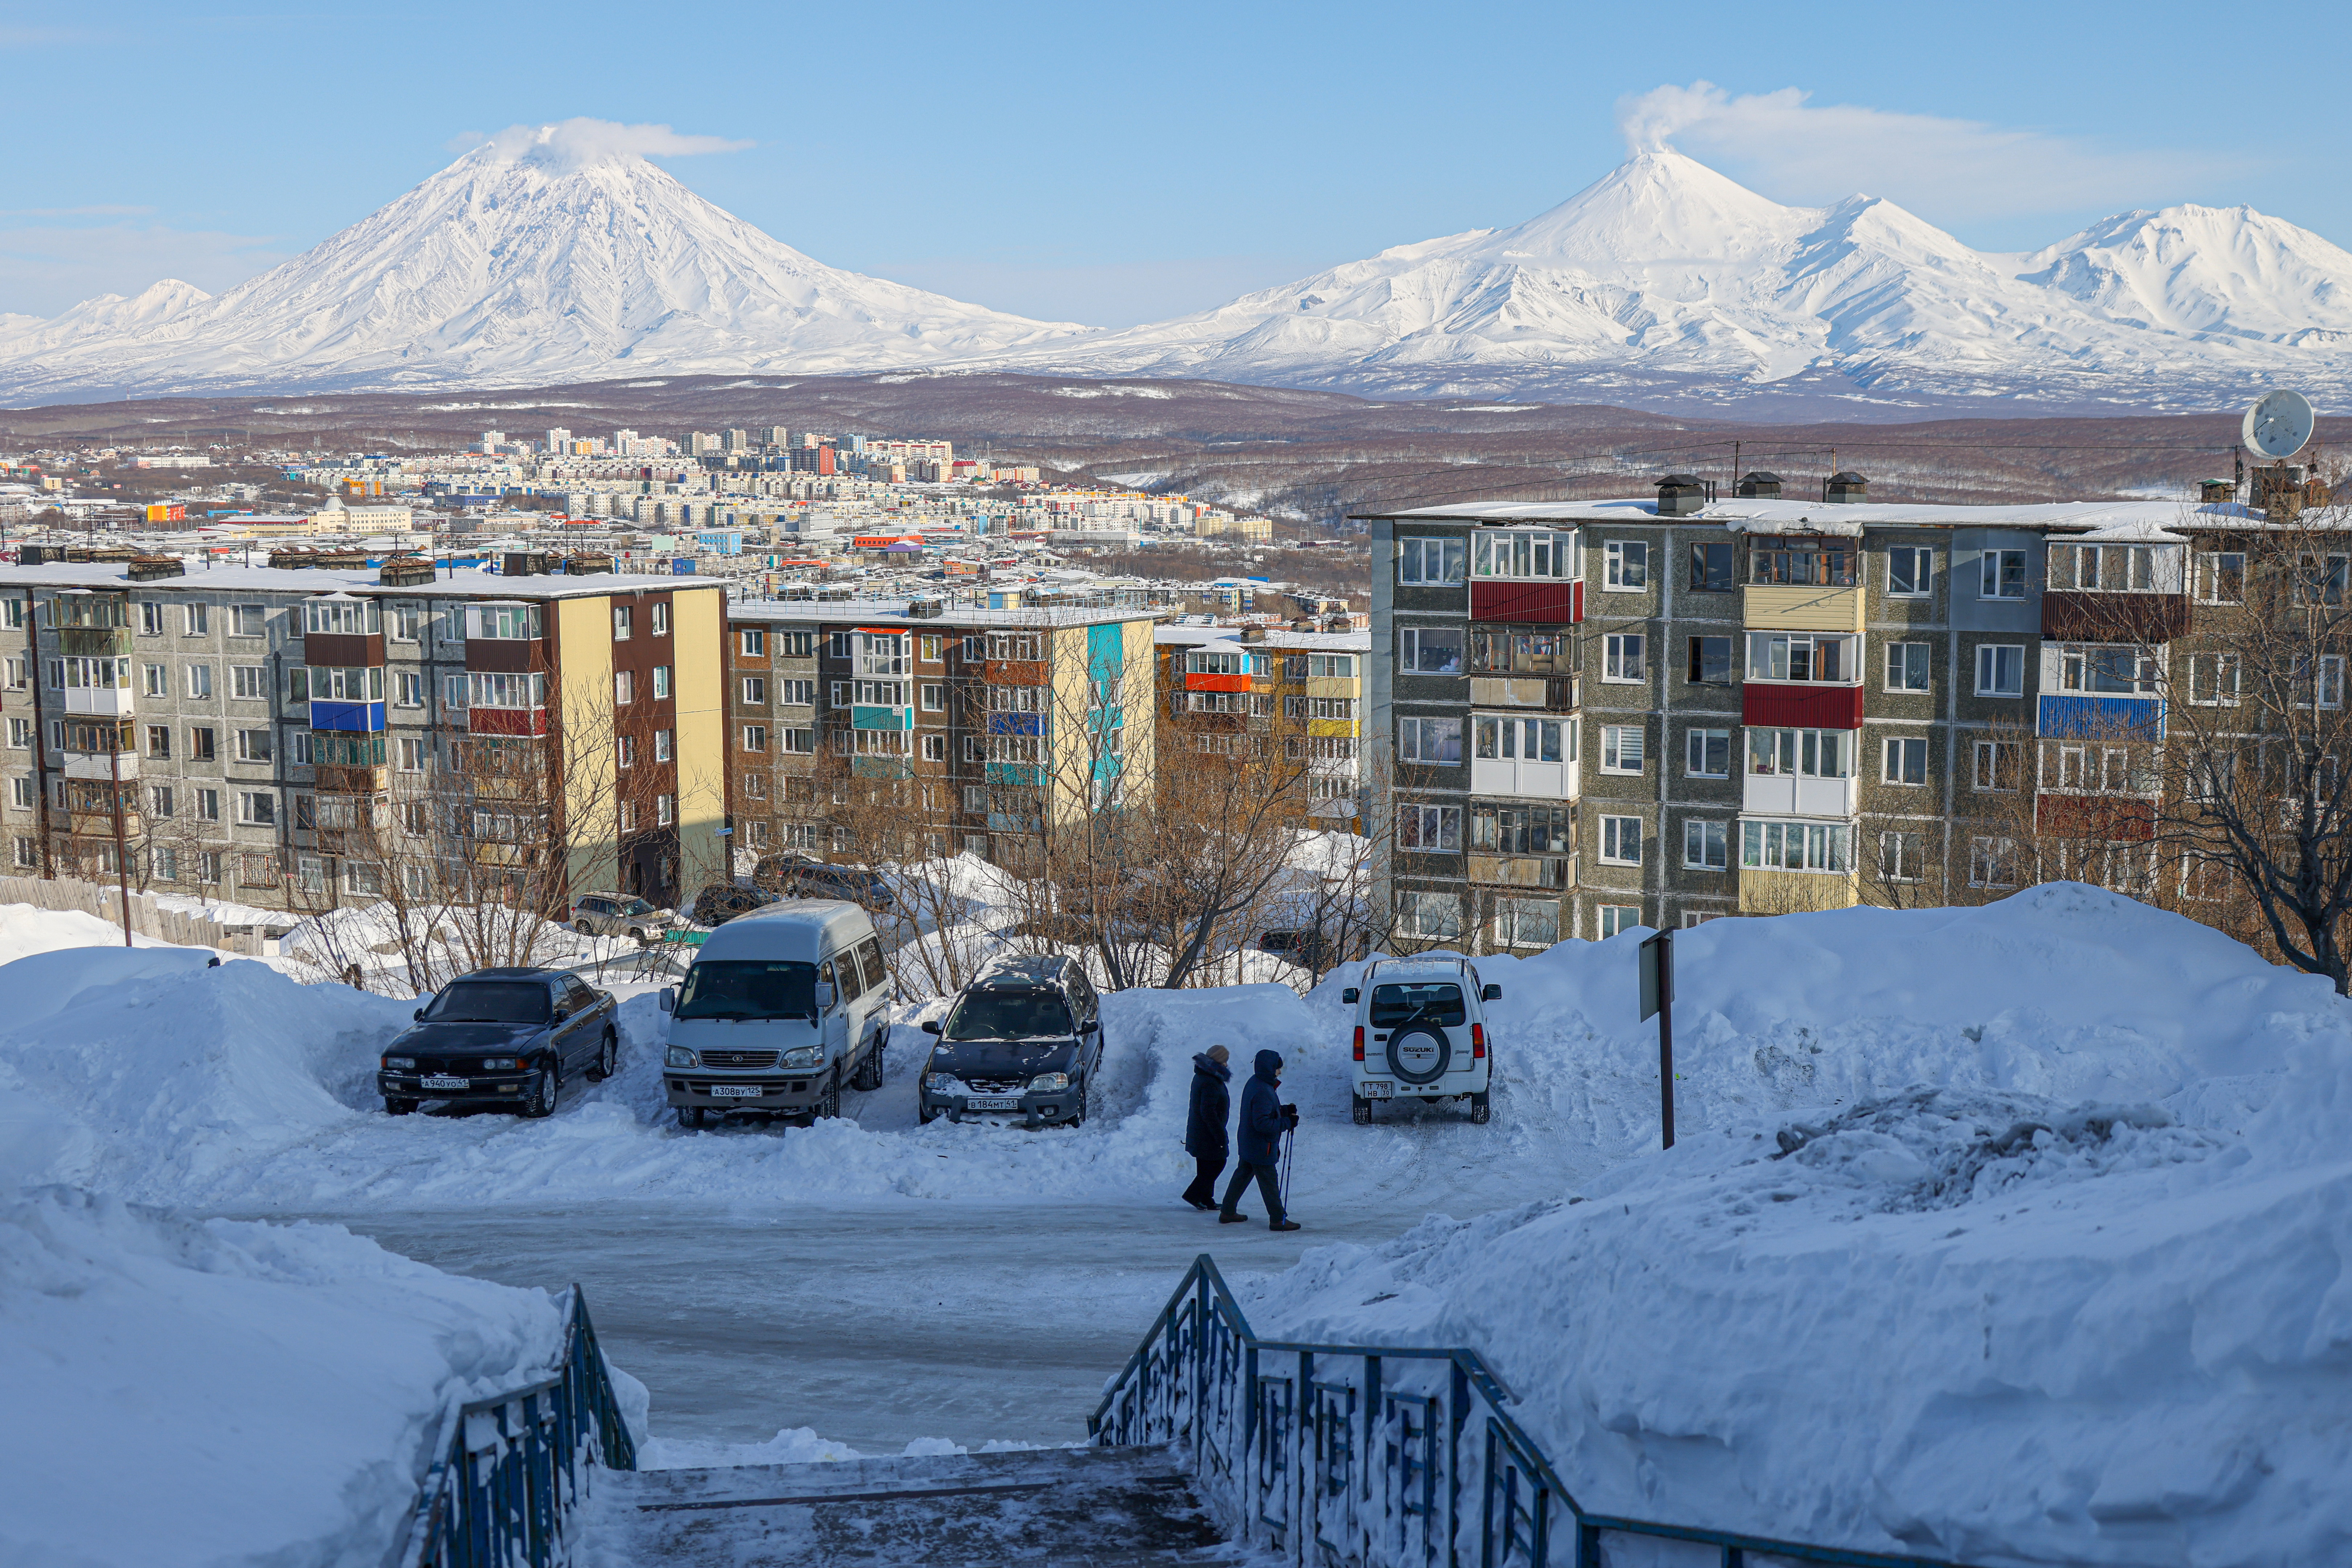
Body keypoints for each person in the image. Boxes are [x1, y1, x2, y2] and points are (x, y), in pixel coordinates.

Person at [1219, 1048, 1301, 1231]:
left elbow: (1263, 1112)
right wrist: (1288, 1122)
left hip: (1250, 1142)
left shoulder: (1256, 1082)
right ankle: (1278, 1220)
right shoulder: (1263, 1089)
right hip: (1261, 1146)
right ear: (1270, 1068)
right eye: (1277, 1068)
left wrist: (1284, 1111)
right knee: (1269, 1183)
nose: (1280, 1072)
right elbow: (1263, 1124)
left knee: (1242, 1175)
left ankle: (1227, 1211)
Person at [1181, 1044, 1231, 1210]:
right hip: (1207, 1133)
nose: (1226, 1064)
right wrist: (1219, 1134)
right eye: (1224, 1061)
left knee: (1205, 1165)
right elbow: (1208, 1112)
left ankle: (1207, 1198)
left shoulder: (1205, 1075)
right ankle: (1193, 1195)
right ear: (1218, 1061)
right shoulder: (1210, 1081)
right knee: (1218, 1163)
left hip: (1200, 1131)